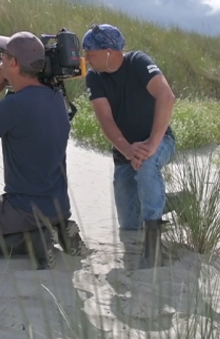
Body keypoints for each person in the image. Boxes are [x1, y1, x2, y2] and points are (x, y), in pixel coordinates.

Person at [0, 31, 85, 269]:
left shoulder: (14, 105)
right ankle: (59, 228)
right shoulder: (57, 98)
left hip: (23, 209)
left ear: (14, 63)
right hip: (59, 205)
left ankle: (30, 242)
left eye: (3, 56)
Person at [82, 24, 176, 269]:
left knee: (146, 166)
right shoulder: (94, 76)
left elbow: (166, 97)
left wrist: (152, 145)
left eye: (90, 52)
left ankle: (154, 247)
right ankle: (178, 203)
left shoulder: (138, 62)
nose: (86, 58)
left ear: (109, 51)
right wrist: (126, 149)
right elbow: (106, 119)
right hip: (124, 152)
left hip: (159, 140)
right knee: (129, 224)